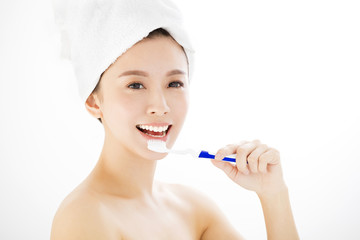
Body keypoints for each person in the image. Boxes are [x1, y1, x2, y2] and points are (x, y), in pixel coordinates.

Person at [51, 1, 299, 239]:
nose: (160, 106)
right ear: (94, 102)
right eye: (135, 85)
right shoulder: (84, 217)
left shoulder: (194, 210)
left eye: (174, 83)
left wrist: (274, 194)